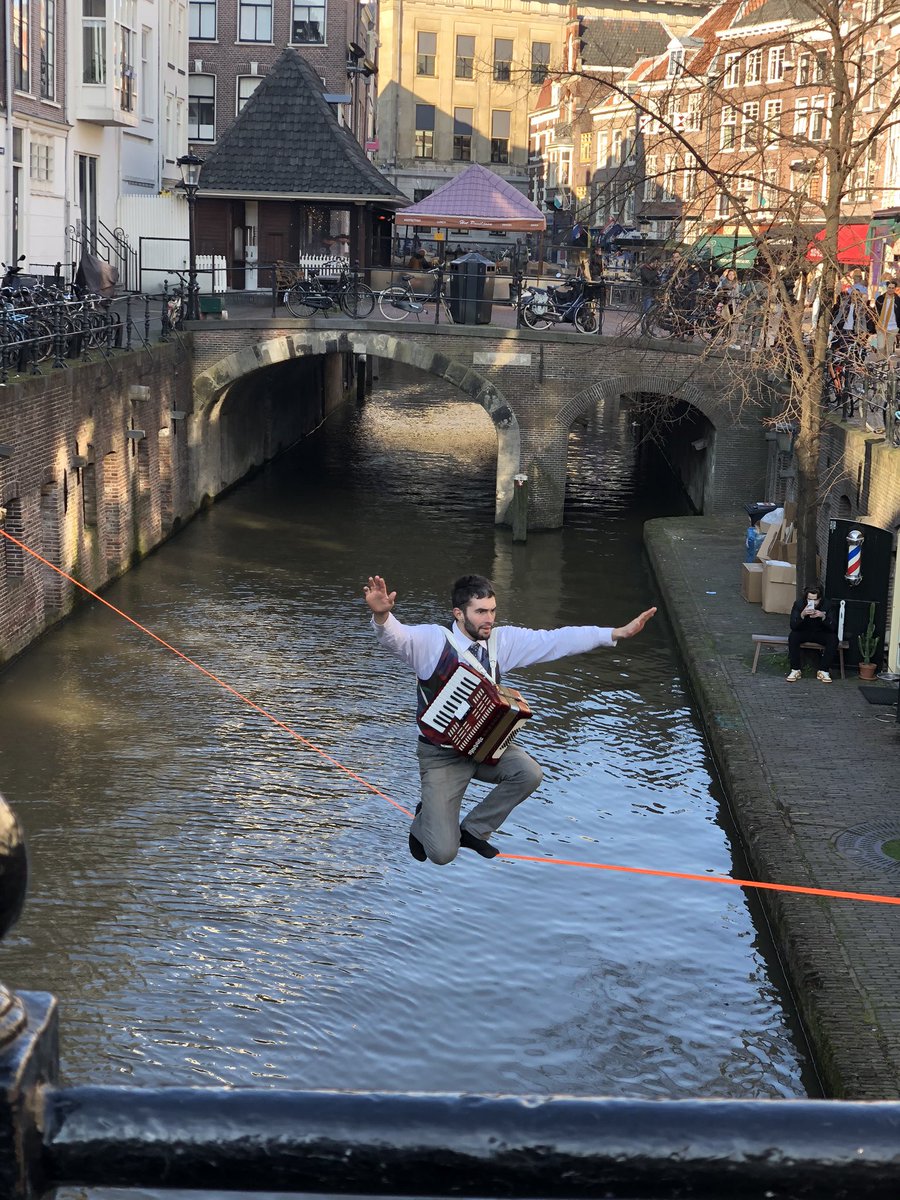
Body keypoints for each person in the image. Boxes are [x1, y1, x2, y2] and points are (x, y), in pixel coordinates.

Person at [364, 574, 657, 865]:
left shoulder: (502, 641)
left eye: (492, 610)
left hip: (485, 745)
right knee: (442, 854)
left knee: (529, 773)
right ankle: (424, 820)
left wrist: (614, 634)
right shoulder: (432, 641)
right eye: (481, 612)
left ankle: (474, 830)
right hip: (442, 755)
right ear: (458, 613)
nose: (489, 619)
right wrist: (382, 616)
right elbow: (396, 638)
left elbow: (556, 640)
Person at [786, 584, 838, 683]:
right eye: (809, 599)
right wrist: (802, 615)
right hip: (804, 632)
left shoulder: (828, 605)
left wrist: (823, 617)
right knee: (793, 636)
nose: (812, 603)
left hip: (820, 633)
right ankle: (795, 669)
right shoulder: (799, 604)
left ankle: (823, 670)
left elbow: (833, 627)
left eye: (815, 600)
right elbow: (793, 625)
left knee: (833, 639)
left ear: (820, 599)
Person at [874, 279, 900, 360]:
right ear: (886, 288)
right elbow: (875, 312)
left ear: (895, 289)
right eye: (889, 287)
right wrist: (875, 322)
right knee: (880, 347)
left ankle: (886, 364)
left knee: (889, 349)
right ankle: (880, 363)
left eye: (892, 288)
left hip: (893, 327)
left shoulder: (898, 300)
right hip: (881, 326)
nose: (890, 289)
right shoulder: (880, 299)